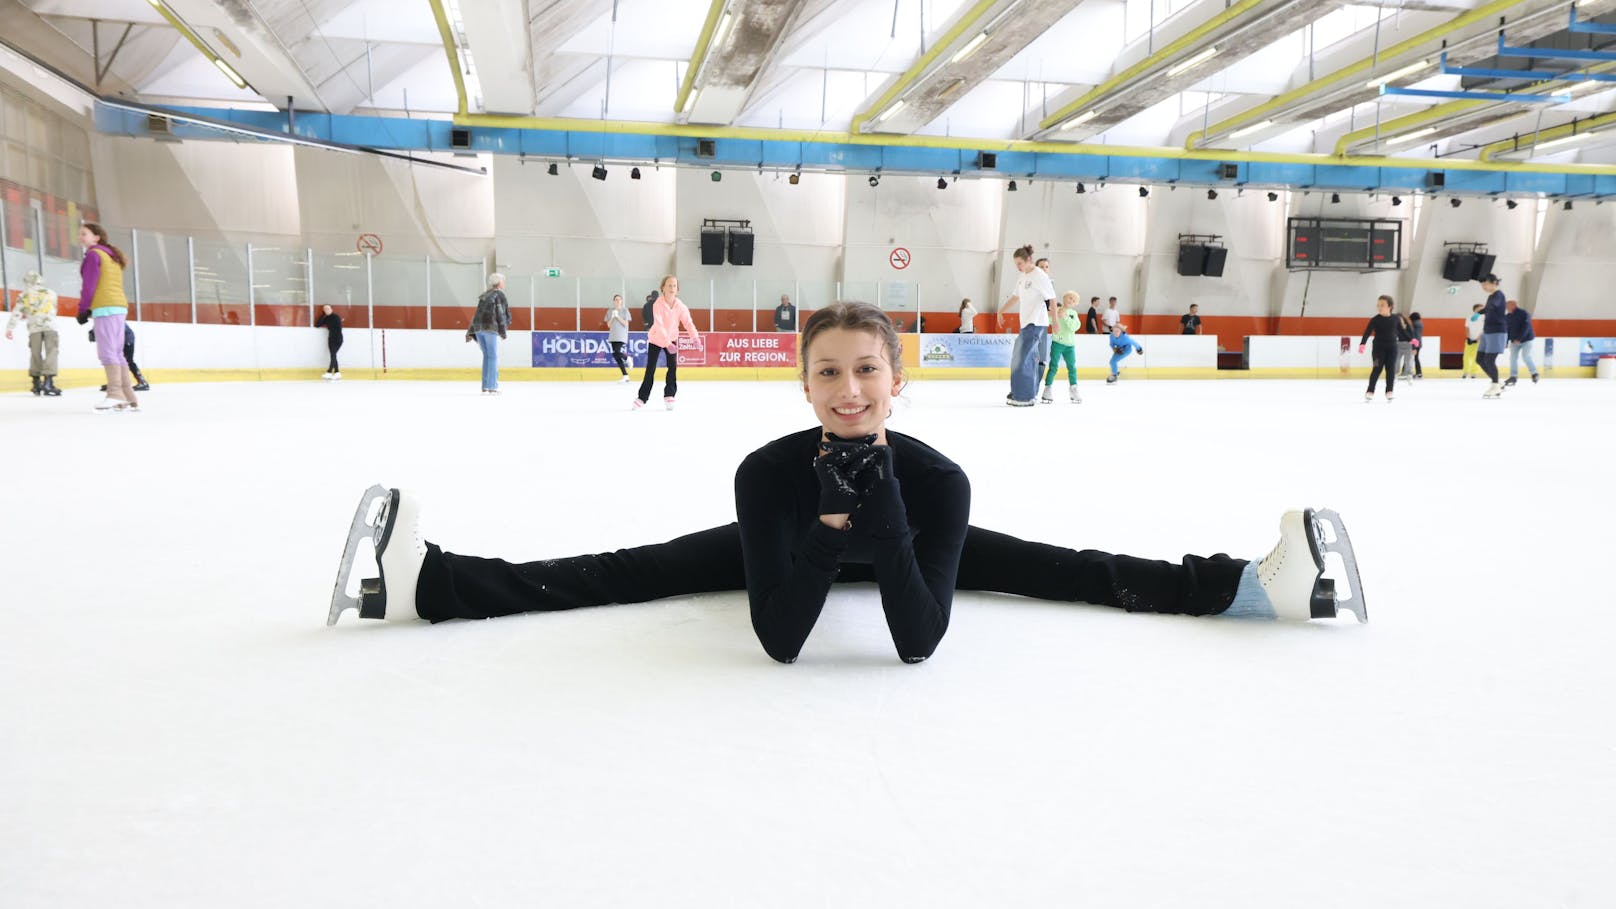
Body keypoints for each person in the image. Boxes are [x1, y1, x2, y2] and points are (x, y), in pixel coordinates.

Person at [327, 302, 1368, 662]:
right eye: (827, 370)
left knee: (1060, 567)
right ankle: (428, 586)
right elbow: (781, 638)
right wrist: (828, 529)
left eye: (865, 369)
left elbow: (917, 640)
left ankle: (1251, 588)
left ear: (894, 380)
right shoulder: (766, 470)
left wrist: (887, 529)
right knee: (630, 568)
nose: (847, 387)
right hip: (794, 532)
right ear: (804, 380)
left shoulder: (939, 476)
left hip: (909, 531)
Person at [77, 222, 139, 413]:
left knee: (107, 352)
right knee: (117, 352)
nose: (81, 237)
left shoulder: (94, 254)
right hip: (118, 306)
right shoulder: (110, 255)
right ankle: (128, 397)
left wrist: (83, 308)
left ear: (97, 237)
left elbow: (90, 284)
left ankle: (114, 394)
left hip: (105, 307)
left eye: (84, 234)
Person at [1001, 245, 1056, 406]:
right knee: (1021, 357)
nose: (1018, 267)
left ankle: (1024, 396)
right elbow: (1015, 296)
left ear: (1028, 260)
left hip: (1036, 322)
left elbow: (1052, 298)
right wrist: (1001, 311)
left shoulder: (1039, 275)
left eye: (1020, 263)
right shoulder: (1023, 276)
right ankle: (1023, 391)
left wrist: (1056, 321)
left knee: (1023, 358)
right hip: (1026, 323)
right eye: (1016, 264)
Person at [635, 275, 700, 411]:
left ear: (677, 290)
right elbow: (659, 325)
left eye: (674, 286)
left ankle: (669, 394)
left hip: (672, 338)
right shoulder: (657, 304)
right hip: (656, 339)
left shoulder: (680, 306)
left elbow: (688, 323)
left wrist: (695, 338)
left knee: (672, 366)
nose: (672, 288)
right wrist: (667, 343)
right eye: (669, 285)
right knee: (650, 369)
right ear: (663, 288)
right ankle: (642, 397)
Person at [5, 270, 62, 396]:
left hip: (34, 328)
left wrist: (10, 328)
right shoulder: (51, 293)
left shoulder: (24, 295)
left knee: (35, 353)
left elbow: (17, 313)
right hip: (50, 327)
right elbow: (55, 309)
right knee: (51, 352)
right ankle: (48, 383)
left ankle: (36, 384)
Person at [466, 274, 509, 395]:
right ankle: (493, 387)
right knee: (493, 357)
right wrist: (503, 331)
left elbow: (476, 314)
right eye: (503, 281)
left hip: (479, 328)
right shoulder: (499, 294)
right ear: (499, 283)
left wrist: (471, 331)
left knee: (487, 356)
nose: (504, 283)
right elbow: (500, 313)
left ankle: (485, 387)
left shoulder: (484, 295)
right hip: (490, 328)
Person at [1040, 292, 1082, 404]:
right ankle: (1047, 388)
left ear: (1075, 304)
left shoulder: (1073, 313)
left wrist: (1066, 317)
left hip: (1070, 346)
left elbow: (1075, 327)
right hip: (1057, 343)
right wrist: (1052, 316)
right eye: (1069, 298)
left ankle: (1073, 388)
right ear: (1064, 298)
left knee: (1072, 367)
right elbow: (1047, 322)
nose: (1071, 300)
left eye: (1073, 300)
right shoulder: (1056, 310)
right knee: (1053, 366)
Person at [1358, 294, 1400, 402]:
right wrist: (1362, 344)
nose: (1379, 307)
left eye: (1382, 305)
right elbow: (1367, 332)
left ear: (1389, 306)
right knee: (1377, 368)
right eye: (1378, 305)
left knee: (1390, 369)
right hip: (1378, 350)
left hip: (1392, 349)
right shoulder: (1375, 320)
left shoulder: (1396, 319)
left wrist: (1410, 339)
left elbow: (1402, 332)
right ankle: (1370, 390)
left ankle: (1389, 391)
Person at [1476, 274, 1508, 398]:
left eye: (1486, 284)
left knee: (1489, 360)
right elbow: (1489, 308)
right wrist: (1480, 312)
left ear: (1494, 282)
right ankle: (1497, 382)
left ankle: (1495, 385)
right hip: (1487, 331)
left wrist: (1483, 310)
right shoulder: (1491, 297)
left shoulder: (1499, 295)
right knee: (1479, 359)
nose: (1484, 286)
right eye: (1482, 285)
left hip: (1497, 331)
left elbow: (1493, 306)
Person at [96, 323, 150, 392]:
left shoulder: (114, 319)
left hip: (127, 340)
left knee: (128, 361)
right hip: (119, 341)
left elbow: (117, 330)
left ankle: (143, 382)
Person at [1505, 299, 1539, 386]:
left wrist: (1519, 339)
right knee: (1513, 358)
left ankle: (1534, 373)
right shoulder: (1508, 316)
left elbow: (1526, 327)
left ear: (1513, 305)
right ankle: (1513, 376)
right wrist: (1506, 341)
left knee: (1526, 356)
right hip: (1514, 341)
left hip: (1526, 340)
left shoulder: (1523, 313)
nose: (1506, 308)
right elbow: (1507, 330)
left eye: (1507, 306)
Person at [605, 294, 632, 382]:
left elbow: (626, 323)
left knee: (617, 352)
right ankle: (625, 375)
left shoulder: (625, 310)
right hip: (613, 334)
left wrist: (618, 316)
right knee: (616, 355)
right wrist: (613, 317)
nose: (618, 301)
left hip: (621, 334)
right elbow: (608, 325)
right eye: (616, 299)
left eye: (619, 299)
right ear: (614, 301)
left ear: (621, 301)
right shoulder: (610, 311)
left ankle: (627, 358)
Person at [316, 304, 343, 379]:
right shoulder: (326, 318)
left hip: (337, 339)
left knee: (333, 355)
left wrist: (335, 339)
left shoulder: (336, 317)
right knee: (333, 355)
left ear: (331, 309)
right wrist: (322, 315)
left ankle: (329, 371)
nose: (326, 310)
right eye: (325, 309)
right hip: (331, 339)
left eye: (328, 308)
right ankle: (337, 372)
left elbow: (338, 329)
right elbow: (317, 325)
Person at [1461, 303, 1484, 378]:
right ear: (1475, 309)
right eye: (1480, 308)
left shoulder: (1484, 318)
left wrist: (1478, 339)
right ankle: (1465, 372)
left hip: (1478, 341)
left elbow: (1484, 330)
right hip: (1469, 340)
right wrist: (1468, 338)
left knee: (1475, 357)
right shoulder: (1469, 317)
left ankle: (1473, 373)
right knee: (1466, 356)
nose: (1482, 310)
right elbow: (1467, 328)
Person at [1395, 313, 1415, 380]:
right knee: (1397, 360)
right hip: (1399, 345)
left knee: (1407, 360)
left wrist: (1414, 348)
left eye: (1400, 319)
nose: (1399, 321)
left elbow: (1411, 337)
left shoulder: (1408, 326)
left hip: (1408, 345)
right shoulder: (1396, 327)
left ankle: (1408, 373)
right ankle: (1395, 373)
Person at [1409, 312, 1425, 379]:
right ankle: (1418, 373)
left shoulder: (1414, 324)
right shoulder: (1420, 323)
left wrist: (1414, 346)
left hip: (1415, 343)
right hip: (1419, 343)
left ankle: (1418, 373)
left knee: (1412, 358)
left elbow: (1415, 335)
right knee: (1415, 358)